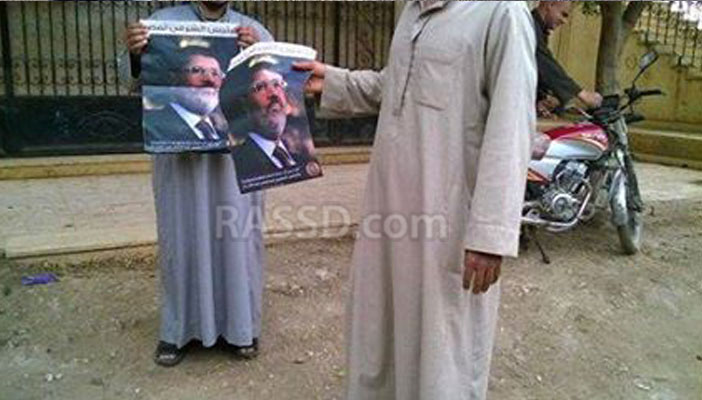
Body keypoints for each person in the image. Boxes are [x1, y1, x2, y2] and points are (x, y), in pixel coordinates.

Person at [296, 1, 536, 399]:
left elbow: (511, 128)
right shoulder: (412, 11)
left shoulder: (502, 13)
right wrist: (334, 81)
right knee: (381, 327)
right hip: (388, 211)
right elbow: (396, 84)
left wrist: (490, 236)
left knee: (442, 343)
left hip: (448, 222)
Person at [124, 1, 273, 367]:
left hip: (236, 164)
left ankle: (241, 328)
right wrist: (136, 55)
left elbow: (274, 93)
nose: (207, 78)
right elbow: (135, 83)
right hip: (180, 164)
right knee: (181, 237)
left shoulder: (253, 30)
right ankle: (178, 330)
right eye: (197, 71)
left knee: (238, 240)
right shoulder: (161, 24)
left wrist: (260, 57)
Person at [222, 57, 311, 180]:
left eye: (277, 84)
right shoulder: (239, 160)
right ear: (244, 103)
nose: (273, 93)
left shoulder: (301, 159)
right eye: (260, 87)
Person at [143, 47, 228, 146]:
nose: (210, 80)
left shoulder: (226, 130)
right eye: (197, 70)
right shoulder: (150, 125)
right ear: (175, 78)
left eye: (215, 73)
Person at [532, 1, 603, 115]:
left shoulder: (539, 30)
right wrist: (582, 94)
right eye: (563, 14)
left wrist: (541, 100)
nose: (564, 21)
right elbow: (545, 64)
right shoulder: (530, 27)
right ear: (550, 4)